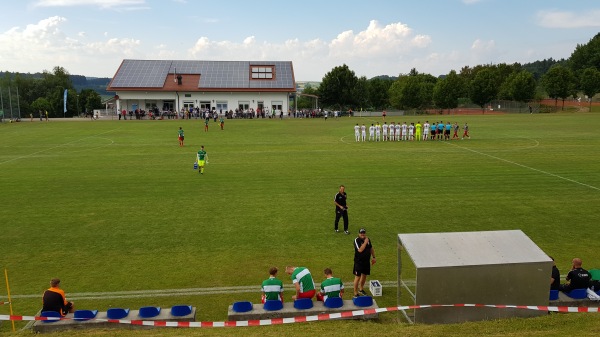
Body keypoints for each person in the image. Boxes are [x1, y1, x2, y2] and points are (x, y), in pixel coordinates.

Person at [353, 228, 375, 297]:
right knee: (357, 277)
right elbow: (360, 250)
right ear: (359, 234)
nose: (362, 234)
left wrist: (374, 257)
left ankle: (361, 288)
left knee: (364, 275)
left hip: (366, 261)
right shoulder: (356, 240)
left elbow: (371, 248)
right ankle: (355, 292)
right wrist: (365, 242)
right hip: (359, 262)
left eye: (363, 233)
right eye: (361, 233)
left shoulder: (368, 239)